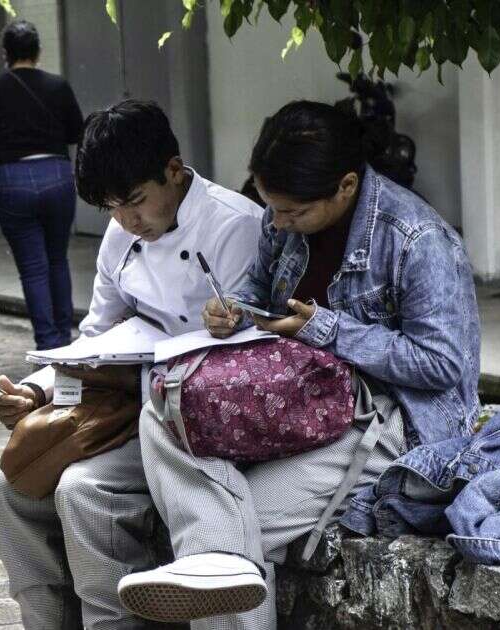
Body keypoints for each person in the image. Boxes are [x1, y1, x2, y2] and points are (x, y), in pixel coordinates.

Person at [118, 101, 481, 629]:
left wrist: (327, 328)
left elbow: (441, 365)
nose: (278, 222)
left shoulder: (418, 240)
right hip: (297, 395)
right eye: (271, 207)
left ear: (346, 186)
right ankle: (214, 559)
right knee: (167, 399)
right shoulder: (281, 215)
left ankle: (213, 559)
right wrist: (235, 307)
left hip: (384, 419)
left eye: (292, 213)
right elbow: (260, 290)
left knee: (237, 535)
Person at [0, 99, 263, 630]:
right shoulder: (123, 235)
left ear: (174, 171)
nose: (128, 221)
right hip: (122, 402)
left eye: (136, 201)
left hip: (194, 419)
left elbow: (255, 351)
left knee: (82, 491)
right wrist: (38, 390)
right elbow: (94, 334)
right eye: (112, 208)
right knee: (9, 486)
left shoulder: (235, 225)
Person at [0, 19, 84, 350]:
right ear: (38, 51)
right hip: (56, 175)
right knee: (58, 259)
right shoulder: (58, 85)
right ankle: (66, 340)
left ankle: (47, 344)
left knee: (32, 267)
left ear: (5, 54)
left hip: (11, 180)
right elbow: (76, 133)